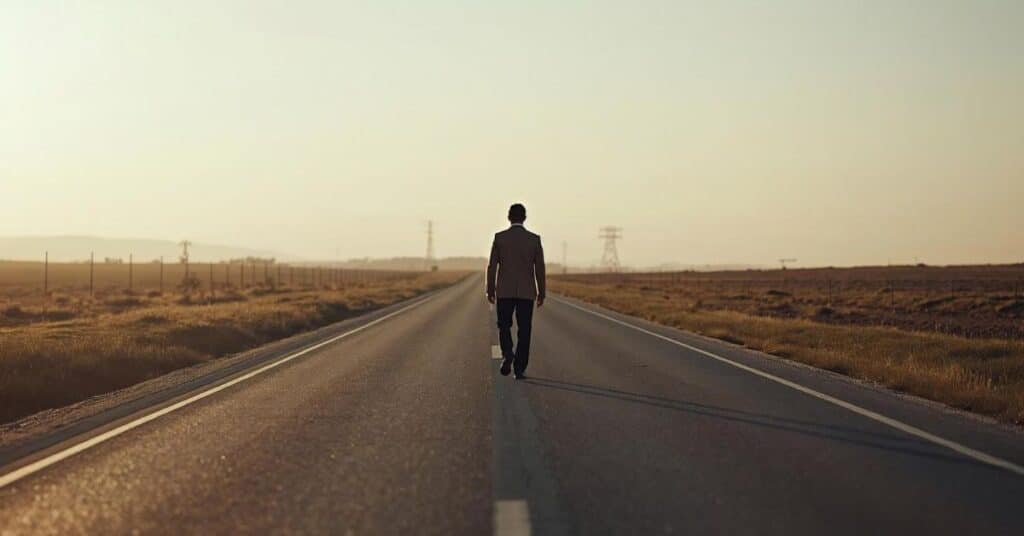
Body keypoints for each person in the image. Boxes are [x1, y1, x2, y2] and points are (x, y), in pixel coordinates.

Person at [486, 203, 546, 380]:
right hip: (526, 292)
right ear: (525, 217)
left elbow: (492, 266)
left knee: (503, 325)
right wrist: (541, 292)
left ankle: (507, 353)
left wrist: (490, 289)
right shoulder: (534, 240)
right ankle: (519, 368)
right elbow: (540, 269)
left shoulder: (500, 238)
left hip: (504, 291)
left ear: (509, 217)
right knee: (524, 329)